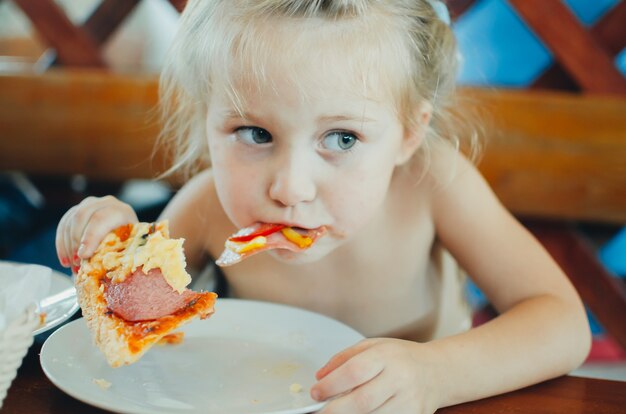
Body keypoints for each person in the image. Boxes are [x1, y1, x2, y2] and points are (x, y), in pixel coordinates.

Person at [55, 1, 591, 412]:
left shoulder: (434, 184)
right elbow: (130, 323)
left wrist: (435, 373)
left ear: (408, 134)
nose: (291, 188)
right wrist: (110, 247)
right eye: (255, 132)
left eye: (342, 139)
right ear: (206, 123)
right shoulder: (205, 209)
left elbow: (563, 324)